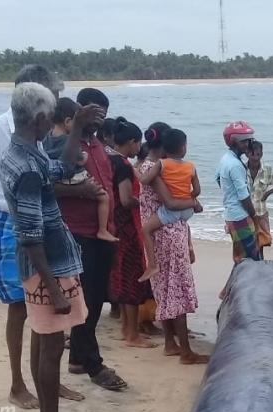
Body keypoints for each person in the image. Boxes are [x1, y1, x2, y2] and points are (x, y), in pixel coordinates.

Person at [0, 64, 81, 409]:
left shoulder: (38, 134)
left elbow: (52, 170)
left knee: (43, 306)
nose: (58, 102)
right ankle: (17, 384)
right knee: (19, 307)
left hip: (37, 223)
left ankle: (48, 381)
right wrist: (2, 219)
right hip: (7, 221)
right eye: (53, 96)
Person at [0, 82, 98, 412]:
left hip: (51, 262)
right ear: (41, 118)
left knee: (46, 339)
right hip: (47, 266)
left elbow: (60, 168)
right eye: (51, 119)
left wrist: (76, 130)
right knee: (52, 343)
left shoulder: (25, 151)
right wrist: (54, 288)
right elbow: (29, 233)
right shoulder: (25, 165)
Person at [54, 87, 127, 392]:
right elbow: (49, 183)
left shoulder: (96, 144)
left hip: (102, 230)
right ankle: (94, 364)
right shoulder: (63, 143)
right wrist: (78, 192)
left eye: (103, 113)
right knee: (85, 299)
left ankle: (79, 358)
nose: (99, 118)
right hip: (77, 231)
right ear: (79, 109)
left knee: (96, 298)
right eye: (94, 111)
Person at [139, 124, 209, 363]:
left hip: (159, 233)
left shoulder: (148, 167)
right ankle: (186, 351)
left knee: (165, 289)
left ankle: (170, 343)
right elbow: (172, 202)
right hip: (168, 233)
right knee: (177, 289)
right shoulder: (155, 169)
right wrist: (193, 203)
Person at [106, 119, 156, 349]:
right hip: (127, 227)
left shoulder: (108, 159)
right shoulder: (123, 165)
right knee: (132, 278)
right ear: (133, 142)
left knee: (122, 278)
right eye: (138, 144)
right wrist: (145, 204)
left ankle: (127, 329)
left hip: (113, 224)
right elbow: (126, 199)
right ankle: (132, 334)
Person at [45, 98, 117, 244]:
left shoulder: (99, 145)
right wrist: (80, 189)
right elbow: (47, 186)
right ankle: (102, 230)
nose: (98, 121)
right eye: (93, 115)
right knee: (103, 197)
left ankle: (103, 229)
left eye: (102, 116)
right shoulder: (70, 142)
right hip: (77, 229)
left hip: (106, 229)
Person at [139, 128, 202, 281]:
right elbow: (198, 190)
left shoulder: (161, 164)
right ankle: (189, 247)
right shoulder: (191, 166)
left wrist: (135, 171)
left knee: (146, 230)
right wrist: (190, 199)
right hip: (187, 211)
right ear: (183, 148)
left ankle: (152, 265)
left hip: (171, 211)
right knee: (183, 226)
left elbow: (145, 180)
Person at [216, 121, 260, 292]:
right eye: (245, 141)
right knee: (249, 259)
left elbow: (218, 178)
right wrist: (254, 216)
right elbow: (243, 196)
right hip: (240, 216)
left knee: (242, 257)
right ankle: (229, 291)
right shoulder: (235, 165)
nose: (248, 144)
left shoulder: (226, 159)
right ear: (235, 141)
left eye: (249, 140)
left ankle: (229, 290)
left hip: (231, 214)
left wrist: (229, 196)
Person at [247, 140, 273, 258]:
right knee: (246, 247)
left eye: (258, 154)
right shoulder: (241, 168)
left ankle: (260, 268)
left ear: (262, 154)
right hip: (245, 214)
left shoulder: (267, 169)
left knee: (261, 246)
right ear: (247, 153)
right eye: (252, 154)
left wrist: (268, 193)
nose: (255, 158)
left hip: (260, 213)